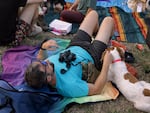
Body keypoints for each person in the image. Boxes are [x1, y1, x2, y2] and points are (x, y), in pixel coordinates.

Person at [25, 10, 114, 97]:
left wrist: (43, 48)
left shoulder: (45, 70)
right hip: (93, 55)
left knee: (93, 14)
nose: (46, 61)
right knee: (109, 20)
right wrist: (106, 64)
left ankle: (97, 35)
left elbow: (40, 58)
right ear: (48, 78)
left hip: (74, 45)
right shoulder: (69, 86)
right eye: (44, 64)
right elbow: (96, 89)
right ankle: (104, 40)